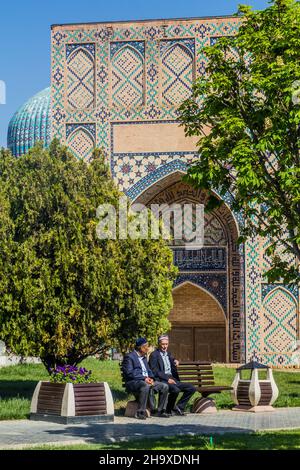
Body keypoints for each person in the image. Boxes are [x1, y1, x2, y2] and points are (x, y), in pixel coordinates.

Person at [122, 337, 170, 419]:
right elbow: (129, 373)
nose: (147, 348)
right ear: (140, 347)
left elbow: (149, 370)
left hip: (146, 381)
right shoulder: (129, 357)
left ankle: (160, 411)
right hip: (134, 382)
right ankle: (140, 412)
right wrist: (144, 378)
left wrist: (151, 378)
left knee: (164, 386)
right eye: (146, 346)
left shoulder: (144, 357)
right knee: (145, 385)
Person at [149, 334, 196, 415]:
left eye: (166, 344)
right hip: (162, 379)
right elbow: (154, 371)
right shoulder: (154, 355)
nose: (165, 346)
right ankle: (168, 409)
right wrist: (167, 379)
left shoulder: (168, 354)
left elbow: (172, 359)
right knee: (175, 390)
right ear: (159, 344)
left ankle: (178, 407)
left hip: (173, 378)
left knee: (191, 388)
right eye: (163, 344)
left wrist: (175, 360)